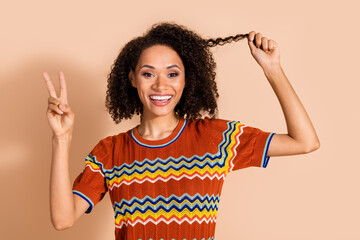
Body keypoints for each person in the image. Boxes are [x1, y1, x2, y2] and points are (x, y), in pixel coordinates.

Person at [43, 22, 320, 240]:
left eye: (173, 74)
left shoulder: (215, 138)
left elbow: (305, 141)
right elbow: (62, 219)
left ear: (187, 78)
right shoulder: (110, 151)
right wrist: (61, 138)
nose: (161, 86)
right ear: (132, 78)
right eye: (148, 74)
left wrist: (272, 69)